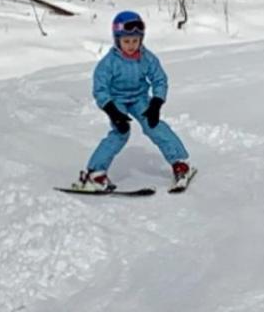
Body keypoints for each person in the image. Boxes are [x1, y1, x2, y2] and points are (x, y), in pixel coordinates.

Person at [75, 11, 192, 192]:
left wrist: (156, 104)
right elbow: (100, 89)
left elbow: (159, 80)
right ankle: (95, 173)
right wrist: (113, 112)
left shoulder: (147, 58)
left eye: (135, 41)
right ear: (117, 40)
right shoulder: (108, 63)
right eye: (126, 41)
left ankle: (180, 163)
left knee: (153, 126)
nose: (131, 45)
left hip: (139, 98)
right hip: (116, 100)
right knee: (121, 133)